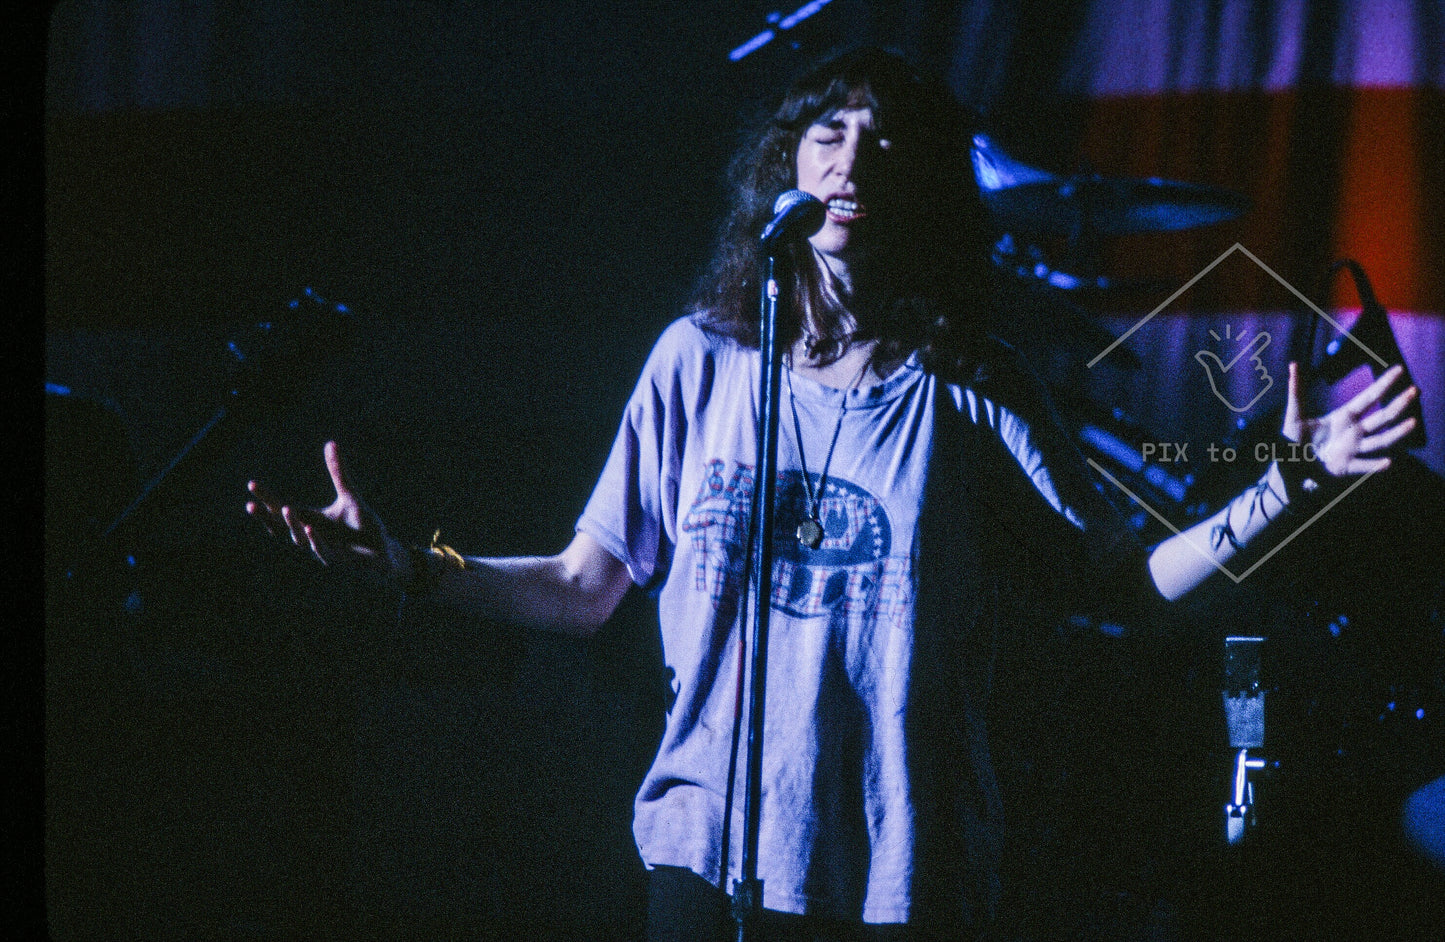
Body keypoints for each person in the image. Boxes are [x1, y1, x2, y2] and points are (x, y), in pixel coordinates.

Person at [245, 48, 1420, 941]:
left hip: (899, 866)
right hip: (701, 847)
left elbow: (1126, 579)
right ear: (785, 170)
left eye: (883, 142)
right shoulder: (695, 361)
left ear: (922, 191)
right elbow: (581, 584)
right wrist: (413, 566)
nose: (852, 160)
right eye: (826, 133)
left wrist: (1292, 479)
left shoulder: (967, 381)